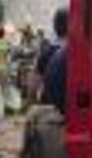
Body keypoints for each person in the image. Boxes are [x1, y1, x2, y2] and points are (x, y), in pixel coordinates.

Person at [20, 8, 69, 158]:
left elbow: (33, 83)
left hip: (49, 108)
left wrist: (30, 104)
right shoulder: (78, 51)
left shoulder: (48, 50)